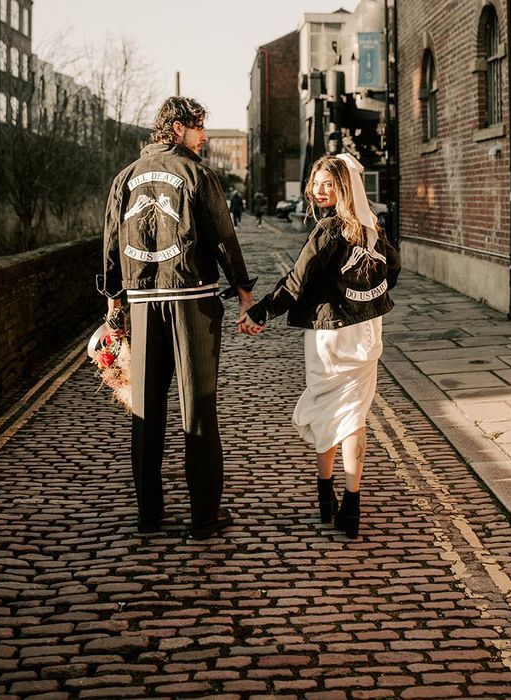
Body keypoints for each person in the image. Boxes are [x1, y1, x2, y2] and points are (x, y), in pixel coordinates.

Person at [98, 96, 257, 540]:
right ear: (177, 127)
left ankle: (149, 515)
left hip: (143, 305)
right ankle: (204, 516)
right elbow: (224, 237)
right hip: (193, 301)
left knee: (145, 413)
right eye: (199, 127)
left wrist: (114, 306)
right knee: (199, 410)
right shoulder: (197, 175)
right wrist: (244, 293)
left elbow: (111, 244)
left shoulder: (124, 178)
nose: (204, 136)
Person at [239, 154, 400, 539]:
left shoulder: (328, 231)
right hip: (366, 333)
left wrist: (260, 313)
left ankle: (327, 497)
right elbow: (392, 271)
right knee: (353, 417)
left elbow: (296, 281)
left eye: (328, 183)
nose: (319, 190)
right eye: (316, 182)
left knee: (331, 411)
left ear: (344, 187)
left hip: (331, 336)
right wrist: (362, 296)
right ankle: (347, 504)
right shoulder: (371, 228)